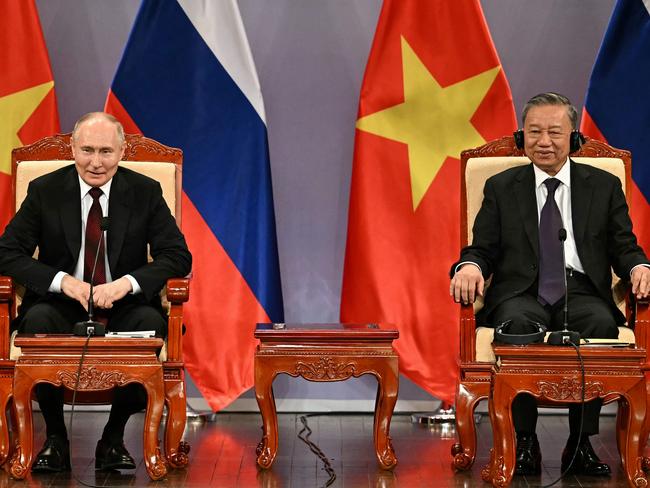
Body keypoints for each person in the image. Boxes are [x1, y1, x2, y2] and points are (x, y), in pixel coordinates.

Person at [449, 92, 650, 476]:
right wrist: (470, 266)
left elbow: (624, 245)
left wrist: (640, 266)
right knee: (516, 328)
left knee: (600, 326)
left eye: (555, 132)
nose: (544, 141)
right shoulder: (501, 186)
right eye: (534, 131)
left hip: (582, 289)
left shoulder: (603, 185)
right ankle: (524, 441)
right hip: (520, 292)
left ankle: (581, 443)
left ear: (573, 137)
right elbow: (482, 247)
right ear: (521, 135)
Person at [0, 112, 192, 472]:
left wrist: (126, 284)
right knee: (37, 321)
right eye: (87, 150)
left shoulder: (144, 192)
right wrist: (63, 281)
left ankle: (113, 438)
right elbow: (6, 253)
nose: (96, 162)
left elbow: (178, 256)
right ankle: (55, 439)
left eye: (106, 151)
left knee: (152, 328)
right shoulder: (46, 190)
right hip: (61, 304)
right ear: (72, 149)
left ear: (122, 153)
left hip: (125, 306)